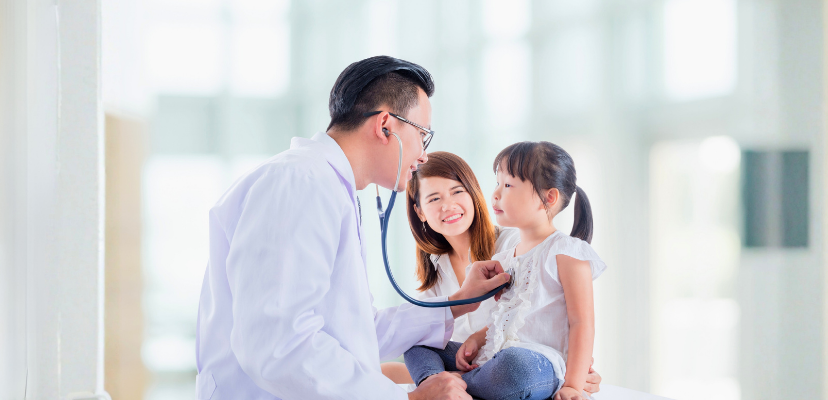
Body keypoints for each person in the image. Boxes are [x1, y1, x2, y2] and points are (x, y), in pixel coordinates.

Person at [194, 56, 511, 400]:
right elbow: (280, 346)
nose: (422, 155)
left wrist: (456, 303)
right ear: (385, 125)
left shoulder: (326, 186)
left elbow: (354, 331)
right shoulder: (302, 181)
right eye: (423, 135)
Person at [379, 151, 604, 396]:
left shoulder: (520, 244)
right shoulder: (438, 270)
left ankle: (456, 385)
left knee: (514, 366)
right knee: (417, 339)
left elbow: (561, 319)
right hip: (485, 360)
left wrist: (575, 377)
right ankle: (440, 386)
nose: (448, 205)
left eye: (457, 191)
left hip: (514, 364)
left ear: (473, 193)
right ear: (420, 211)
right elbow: (503, 317)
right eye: (433, 199)